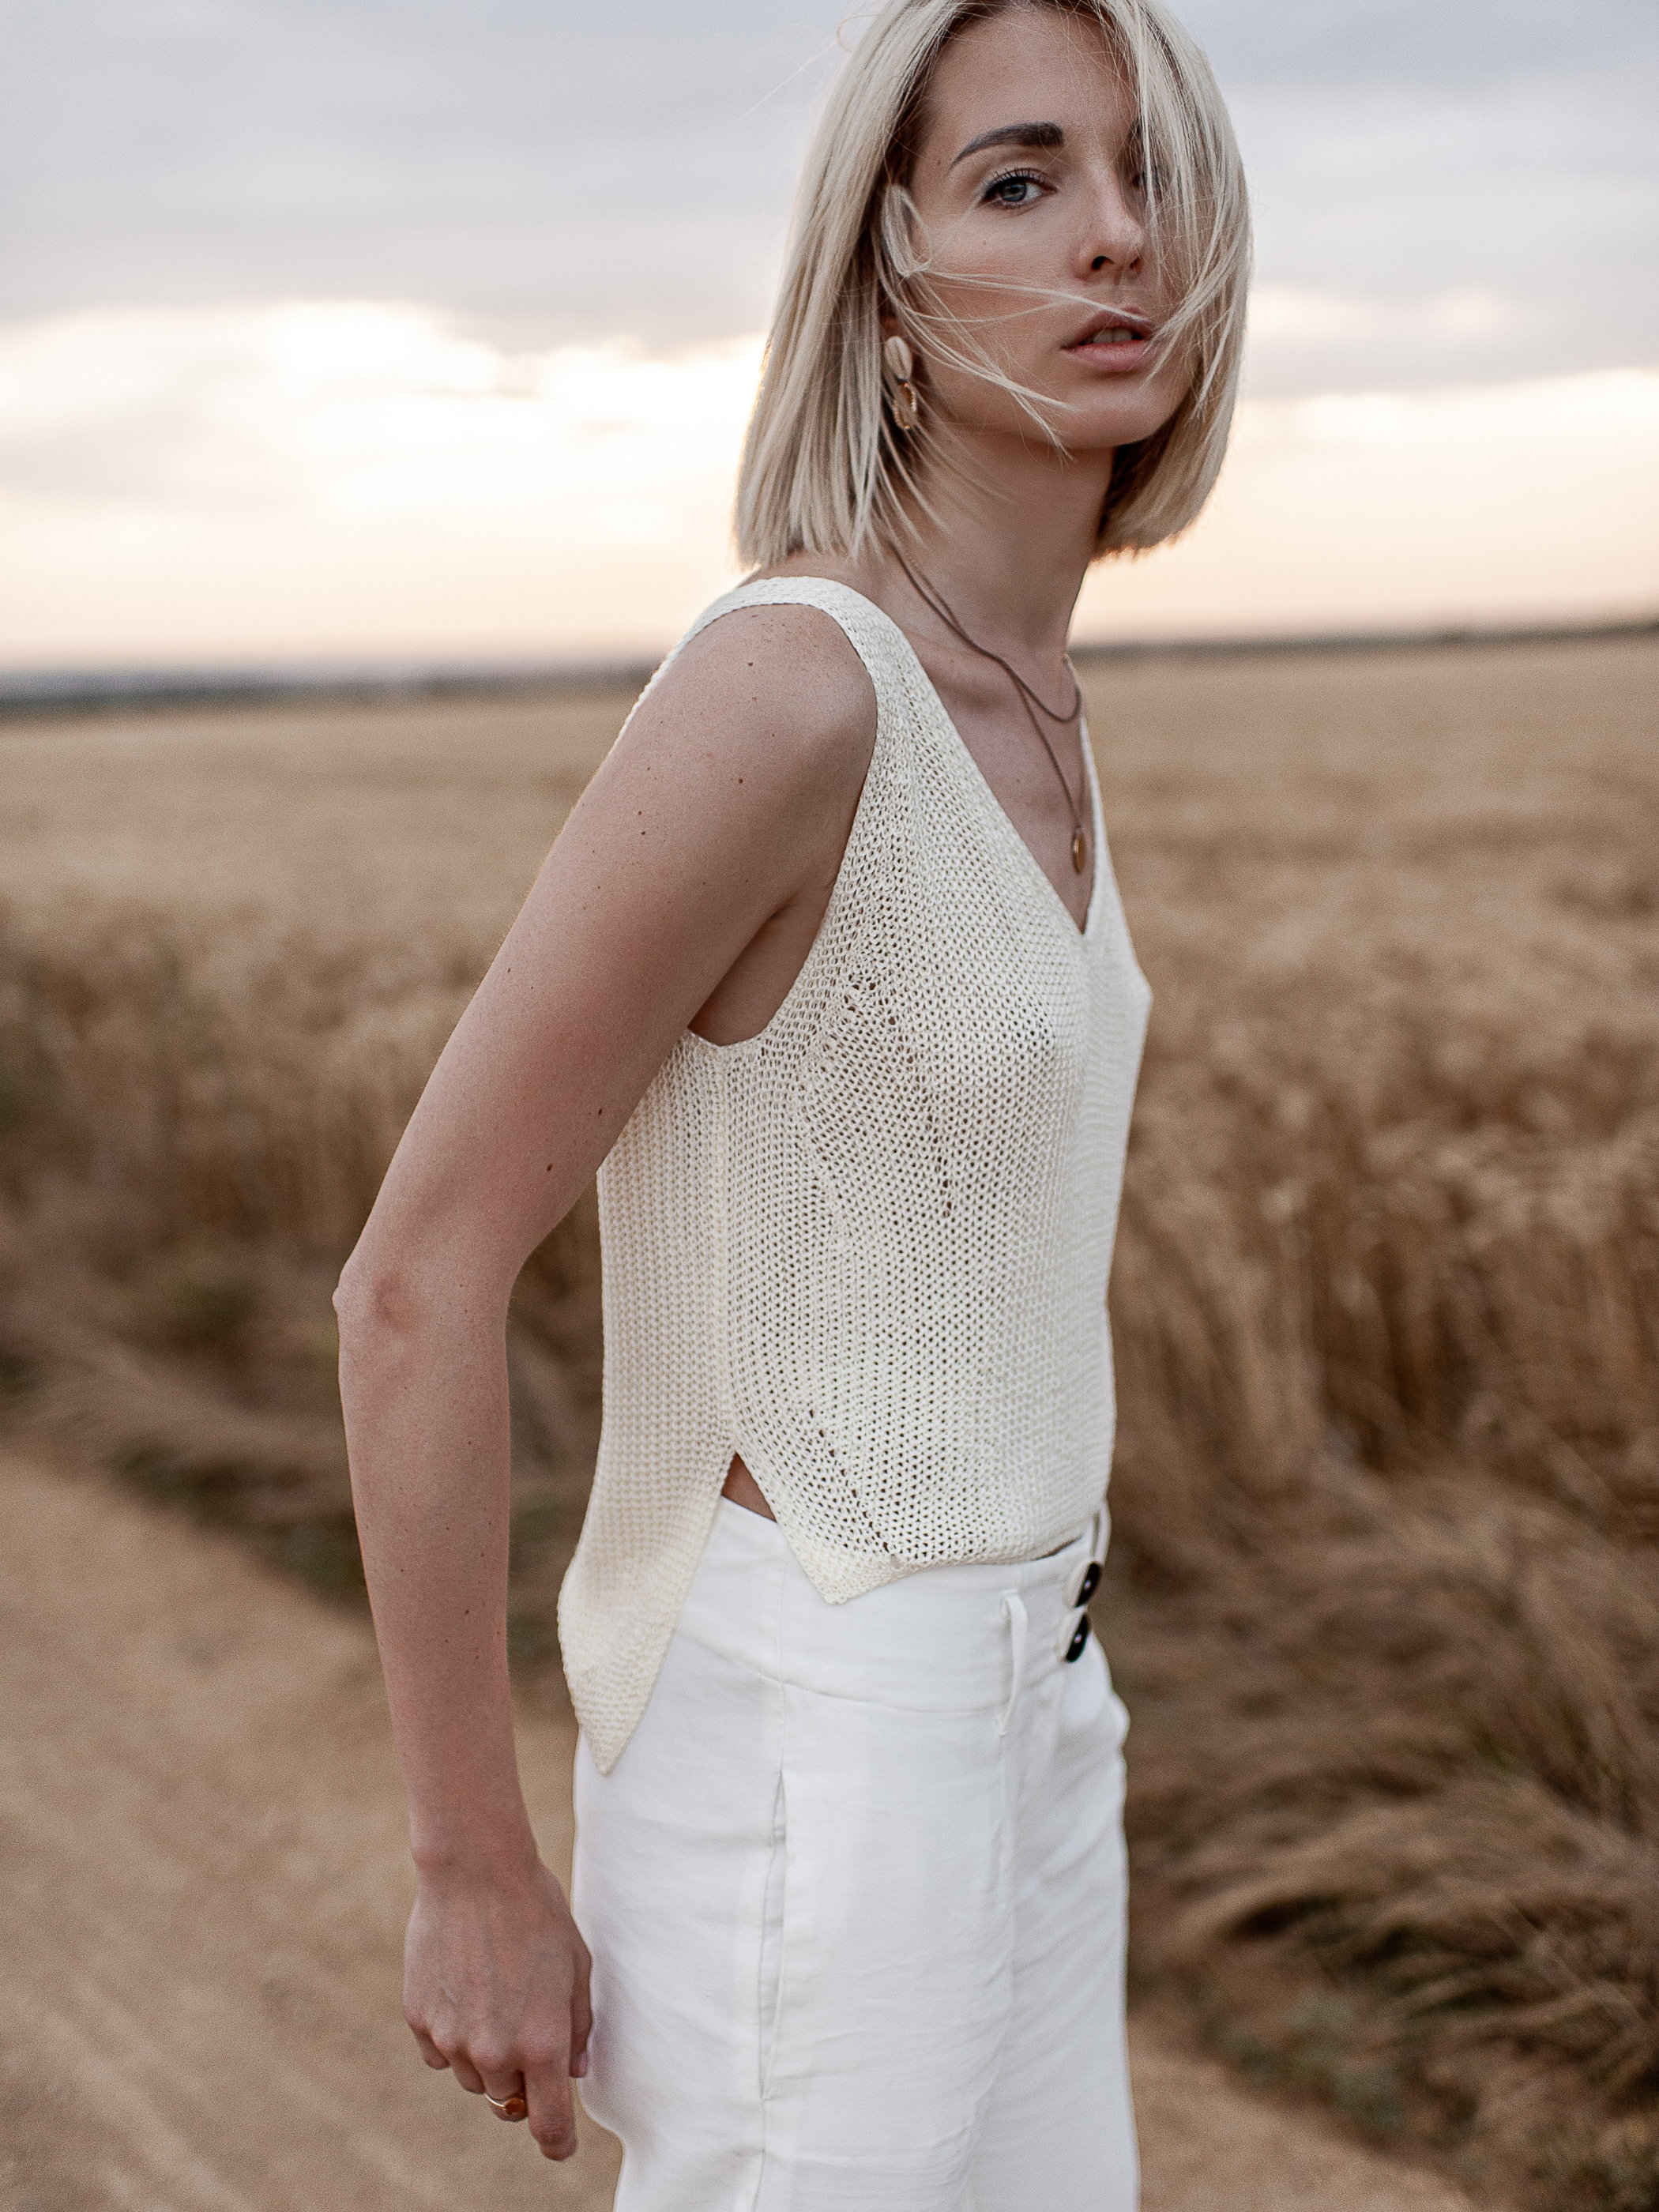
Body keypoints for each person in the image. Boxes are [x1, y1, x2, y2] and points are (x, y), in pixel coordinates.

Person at [335, 0, 1249, 2203]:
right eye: (1020, 179)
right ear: (887, 280)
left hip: (1042, 1703)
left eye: (1149, 175)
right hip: (824, 1732)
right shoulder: (791, 691)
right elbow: (415, 1280)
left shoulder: (1031, 699)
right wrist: (470, 1861)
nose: (1114, 237)